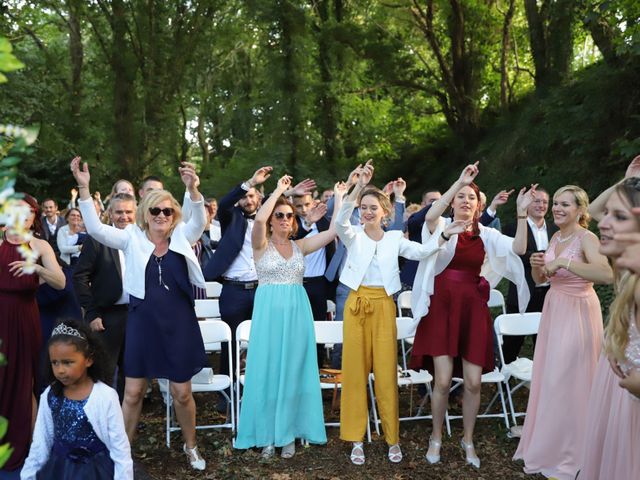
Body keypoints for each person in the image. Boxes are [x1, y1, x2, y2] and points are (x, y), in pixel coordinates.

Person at [71, 157, 209, 470]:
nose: (162, 215)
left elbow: (199, 222)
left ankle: (191, 447)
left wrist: (193, 189)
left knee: (182, 393)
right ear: (145, 214)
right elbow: (94, 228)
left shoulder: (182, 238)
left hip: (179, 325)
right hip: (143, 323)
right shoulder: (130, 238)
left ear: (174, 215)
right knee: (132, 393)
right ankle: (122, 455)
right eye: (155, 210)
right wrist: (83, 187)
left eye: (168, 211)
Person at [337, 161, 468, 465]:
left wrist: (445, 235)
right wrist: (357, 186)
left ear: (385, 213)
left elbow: (422, 253)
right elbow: (341, 219)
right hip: (355, 305)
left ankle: (392, 438)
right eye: (363, 207)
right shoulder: (352, 234)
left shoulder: (395, 239)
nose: (367, 212)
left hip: (384, 306)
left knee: (385, 373)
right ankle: (356, 438)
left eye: (373, 208)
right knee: (355, 373)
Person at [410, 162, 534, 468]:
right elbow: (429, 214)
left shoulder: (486, 233)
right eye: (461, 196)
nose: (466, 200)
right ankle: (436, 437)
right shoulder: (439, 227)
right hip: (441, 307)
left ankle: (467, 440)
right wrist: (459, 180)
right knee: (441, 381)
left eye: (471, 197)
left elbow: (518, 249)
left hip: (472, 310)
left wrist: (521, 213)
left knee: (474, 382)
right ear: (453, 201)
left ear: (479, 205)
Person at [235, 176, 344, 458]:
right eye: (279, 215)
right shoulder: (260, 244)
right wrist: (280, 191)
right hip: (269, 315)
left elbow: (333, 232)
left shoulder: (301, 246)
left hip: (297, 314)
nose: (284, 219)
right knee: (268, 371)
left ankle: (290, 433)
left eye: (289, 216)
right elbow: (258, 221)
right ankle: (268, 434)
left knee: (294, 371)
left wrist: (341, 197)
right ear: (272, 220)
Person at [513, 185, 613, 480]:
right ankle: (551, 446)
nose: (556, 208)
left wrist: (566, 262)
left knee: (571, 380)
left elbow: (606, 274)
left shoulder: (587, 238)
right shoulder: (556, 237)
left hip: (579, 311)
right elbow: (543, 279)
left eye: (564, 204)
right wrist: (536, 268)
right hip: (554, 309)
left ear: (581, 211)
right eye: (555, 203)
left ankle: (575, 450)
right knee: (551, 379)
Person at [577, 172, 640, 478]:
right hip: (621, 392)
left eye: (618, 216)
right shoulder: (628, 273)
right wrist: (625, 184)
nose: (601, 222)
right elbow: (595, 212)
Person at [0, 194, 66, 473]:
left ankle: (31, 449)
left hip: (25, 319)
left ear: (32, 218)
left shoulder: (39, 245)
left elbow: (61, 282)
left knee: (25, 384)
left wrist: (38, 268)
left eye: (27, 213)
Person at [20, 320, 133, 479]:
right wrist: (29, 475)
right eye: (55, 363)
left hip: (96, 471)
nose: (60, 370)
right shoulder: (50, 395)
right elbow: (41, 442)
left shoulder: (105, 397)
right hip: (59, 471)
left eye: (68, 362)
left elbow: (120, 447)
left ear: (88, 360)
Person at [73, 193, 137, 399]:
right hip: (106, 317)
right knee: (103, 375)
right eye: (119, 212)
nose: (124, 216)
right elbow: (80, 276)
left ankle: (125, 422)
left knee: (132, 374)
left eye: (128, 212)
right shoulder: (98, 239)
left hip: (137, 315)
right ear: (109, 213)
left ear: (136, 213)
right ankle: (102, 422)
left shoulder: (143, 239)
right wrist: (91, 313)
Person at [502, 187, 557, 364]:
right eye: (537, 201)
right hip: (522, 290)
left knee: (545, 341)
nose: (541, 205)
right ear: (527, 204)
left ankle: (542, 380)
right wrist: (538, 256)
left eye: (545, 202)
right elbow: (512, 254)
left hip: (549, 292)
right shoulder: (513, 227)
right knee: (512, 342)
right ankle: (504, 383)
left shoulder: (555, 228)